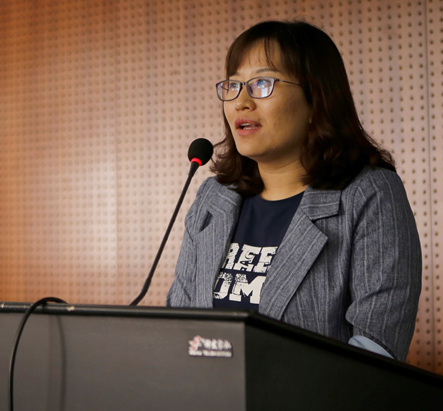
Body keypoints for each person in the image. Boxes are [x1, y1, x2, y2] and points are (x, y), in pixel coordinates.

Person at [166, 20, 421, 361]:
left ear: (316, 100)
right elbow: (179, 324)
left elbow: (377, 349)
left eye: (262, 83)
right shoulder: (214, 197)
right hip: (208, 395)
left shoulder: (368, 195)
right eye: (233, 85)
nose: (241, 102)